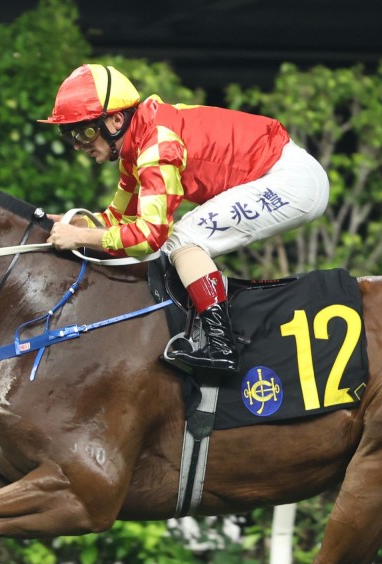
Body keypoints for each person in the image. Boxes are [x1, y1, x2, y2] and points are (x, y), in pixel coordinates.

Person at [40, 64, 329, 373]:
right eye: (69, 134)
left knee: (180, 240)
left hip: (291, 181)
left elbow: (150, 236)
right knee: (182, 239)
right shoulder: (137, 146)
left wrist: (80, 238)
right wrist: (74, 224)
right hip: (282, 173)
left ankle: (221, 344)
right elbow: (117, 218)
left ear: (115, 120)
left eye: (84, 131)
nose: (79, 144)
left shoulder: (156, 148)